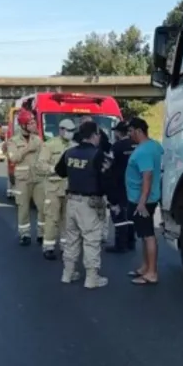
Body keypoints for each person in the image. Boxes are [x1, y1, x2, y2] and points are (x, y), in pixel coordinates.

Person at [53, 121, 110, 289]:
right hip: (90, 203)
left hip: (71, 201)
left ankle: (68, 273)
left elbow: (60, 171)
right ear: (94, 135)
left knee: (71, 240)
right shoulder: (98, 155)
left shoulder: (69, 152)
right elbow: (106, 180)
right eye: (98, 135)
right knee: (91, 240)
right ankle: (92, 278)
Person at [124, 118, 164, 286]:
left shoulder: (144, 152)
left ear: (139, 131)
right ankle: (145, 267)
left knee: (148, 235)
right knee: (143, 234)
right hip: (146, 197)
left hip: (142, 199)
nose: (129, 135)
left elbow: (147, 176)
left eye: (131, 131)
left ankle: (152, 273)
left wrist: (142, 201)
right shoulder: (154, 146)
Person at [35, 118, 77, 260]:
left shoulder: (75, 146)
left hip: (69, 187)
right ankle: (49, 247)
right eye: (68, 130)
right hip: (53, 187)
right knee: (51, 218)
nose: (70, 133)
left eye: (72, 130)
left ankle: (65, 246)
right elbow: (40, 165)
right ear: (60, 130)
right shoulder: (49, 145)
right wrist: (55, 169)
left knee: (67, 219)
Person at [7, 109, 45, 246]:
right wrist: (28, 148)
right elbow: (13, 158)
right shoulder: (13, 141)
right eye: (31, 123)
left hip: (39, 178)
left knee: (43, 207)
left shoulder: (38, 139)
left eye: (34, 122)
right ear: (23, 125)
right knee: (23, 208)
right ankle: (25, 234)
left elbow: (44, 157)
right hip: (22, 179)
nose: (34, 125)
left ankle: (42, 233)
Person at [104, 120, 137, 253]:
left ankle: (120, 244)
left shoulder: (116, 147)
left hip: (119, 184)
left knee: (118, 215)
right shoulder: (137, 145)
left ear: (118, 132)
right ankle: (131, 241)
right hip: (135, 184)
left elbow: (108, 166)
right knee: (131, 214)